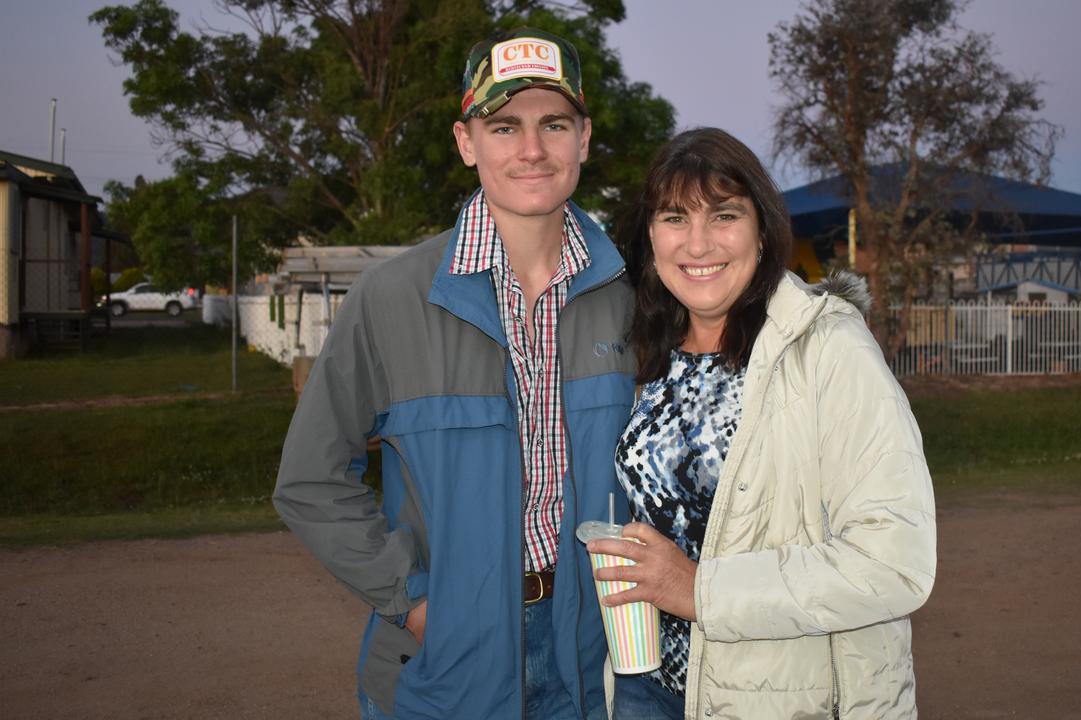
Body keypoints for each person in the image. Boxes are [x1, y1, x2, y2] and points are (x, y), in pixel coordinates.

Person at [274, 28, 634, 720]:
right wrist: (412, 601)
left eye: (553, 124)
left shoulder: (634, 292)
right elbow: (309, 481)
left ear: (583, 139)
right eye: (504, 126)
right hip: (447, 660)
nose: (531, 149)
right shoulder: (391, 296)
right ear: (467, 142)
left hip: (597, 659)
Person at [586, 128, 937, 719]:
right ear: (650, 236)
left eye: (723, 215)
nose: (697, 244)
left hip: (782, 700)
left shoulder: (828, 348)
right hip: (647, 689)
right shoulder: (648, 351)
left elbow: (894, 560)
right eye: (675, 218)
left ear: (762, 229)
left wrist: (699, 590)